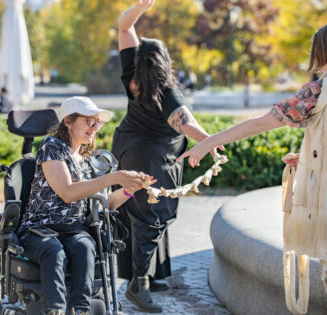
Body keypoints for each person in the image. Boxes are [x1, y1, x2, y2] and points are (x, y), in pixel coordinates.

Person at [178, 19, 327, 315]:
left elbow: (261, 123)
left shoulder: (322, 88)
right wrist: (314, 158)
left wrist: (209, 142)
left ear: (326, 49)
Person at [111, 1, 222, 312]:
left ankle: (154, 273)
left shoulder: (131, 71)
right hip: (153, 157)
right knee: (152, 218)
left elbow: (123, 26)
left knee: (139, 213)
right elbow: (186, 123)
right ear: (164, 62)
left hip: (126, 146)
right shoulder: (167, 91)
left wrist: (139, 8)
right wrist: (212, 142)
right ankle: (138, 285)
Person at [17, 96, 154, 315]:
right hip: (39, 229)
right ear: (68, 122)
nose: (94, 127)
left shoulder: (87, 161)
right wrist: (113, 177)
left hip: (73, 230)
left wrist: (131, 188)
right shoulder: (52, 146)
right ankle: (56, 311)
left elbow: (105, 203)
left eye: (97, 122)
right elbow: (67, 193)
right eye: (89, 121)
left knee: (85, 246)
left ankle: (81, 311)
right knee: (54, 251)